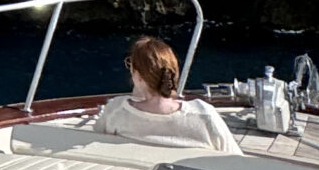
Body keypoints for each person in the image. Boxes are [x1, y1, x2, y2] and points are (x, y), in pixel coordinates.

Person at [92, 36, 241, 152]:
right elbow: (234, 161)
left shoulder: (116, 111)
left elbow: (96, 147)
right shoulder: (203, 115)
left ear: (138, 76)